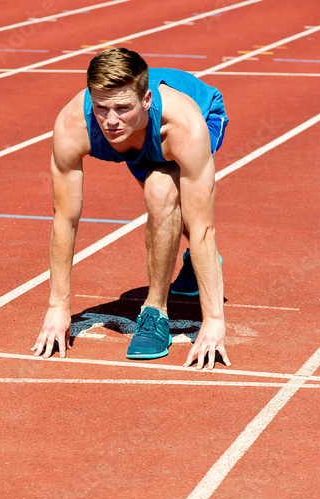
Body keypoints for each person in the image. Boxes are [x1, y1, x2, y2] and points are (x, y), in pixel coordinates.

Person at [32, 47, 231, 369]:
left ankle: (155, 311)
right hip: (141, 137)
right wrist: (58, 306)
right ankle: (195, 263)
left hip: (192, 120)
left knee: (163, 192)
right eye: (101, 108)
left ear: (146, 100)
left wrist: (213, 319)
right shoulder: (73, 126)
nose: (111, 121)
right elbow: (65, 219)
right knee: (165, 208)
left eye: (123, 108)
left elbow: (204, 227)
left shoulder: (183, 127)